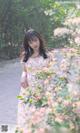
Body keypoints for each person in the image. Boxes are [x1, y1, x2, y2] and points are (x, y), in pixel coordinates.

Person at [15, 29, 53, 133]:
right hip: (29, 89)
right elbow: (24, 71)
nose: (34, 44)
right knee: (29, 114)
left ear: (39, 39)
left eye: (35, 40)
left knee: (43, 114)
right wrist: (22, 77)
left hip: (44, 88)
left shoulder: (48, 55)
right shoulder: (25, 56)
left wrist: (49, 88)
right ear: (27, 43)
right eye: (30, 42)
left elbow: (51, 74)